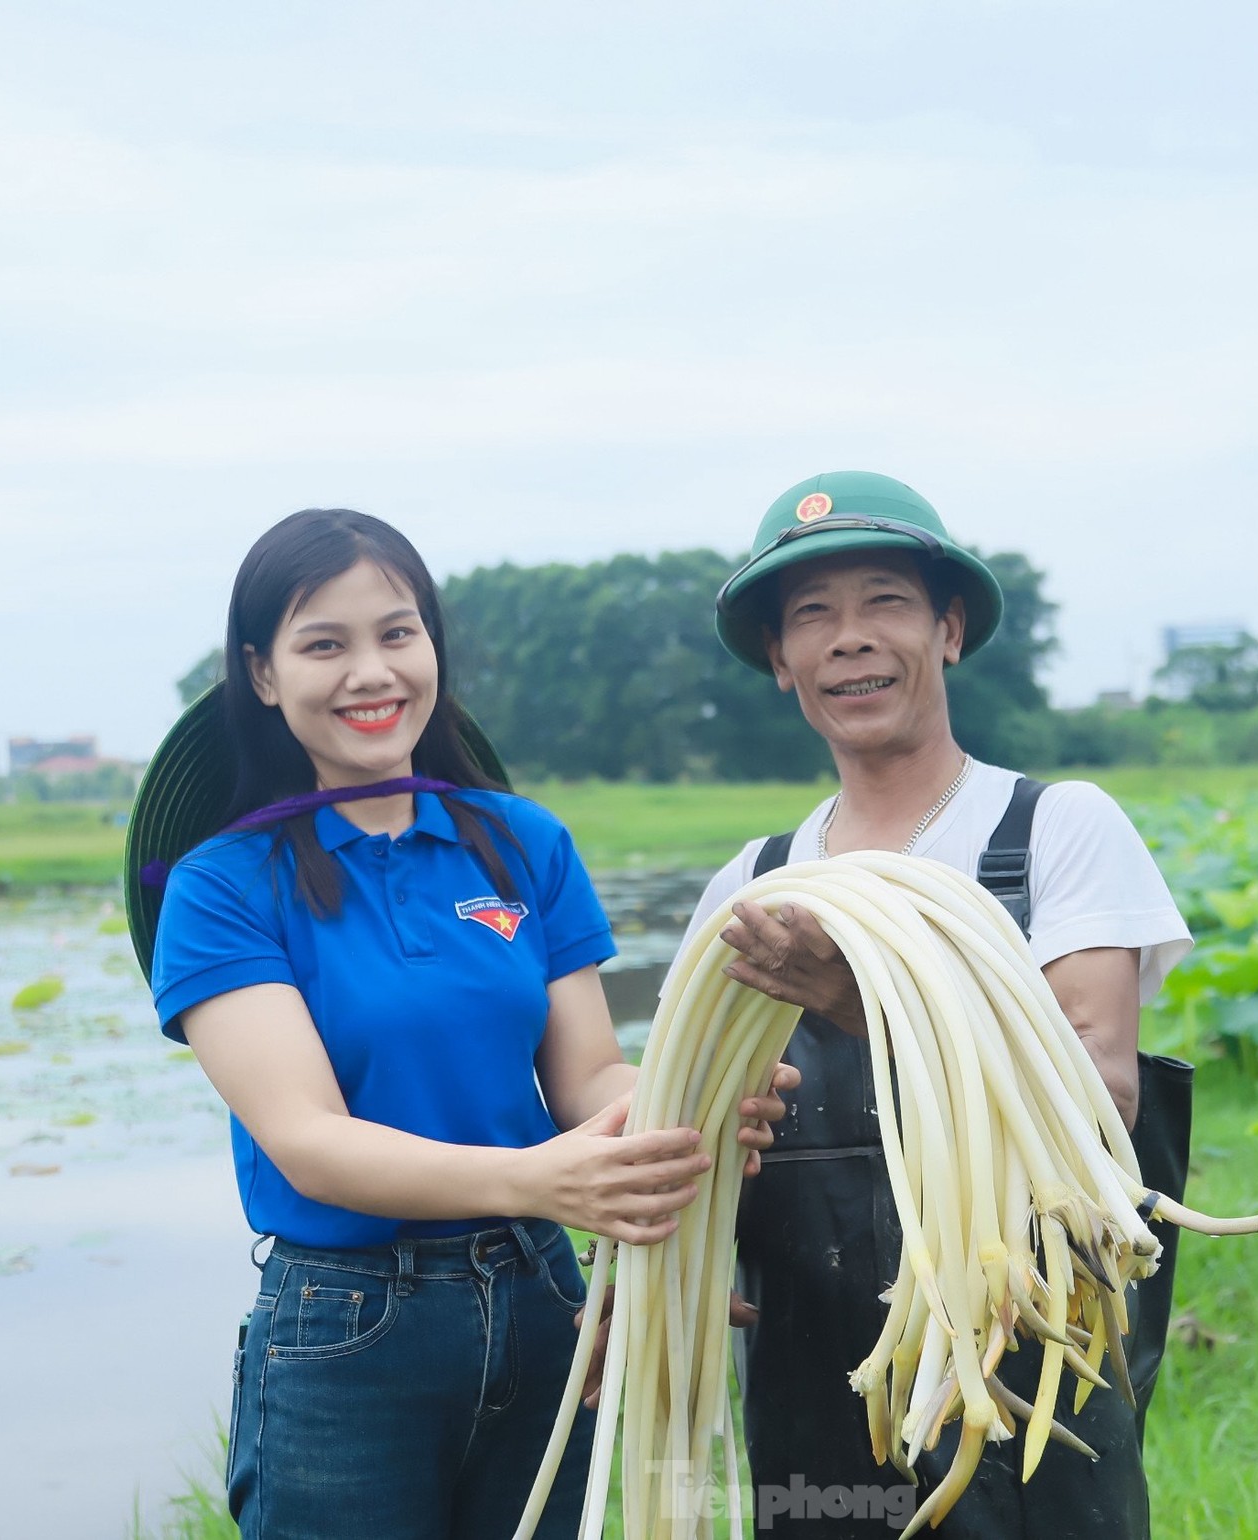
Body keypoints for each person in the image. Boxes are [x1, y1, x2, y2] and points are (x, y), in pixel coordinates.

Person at [125, 507, 794, 1540]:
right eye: (323, 644)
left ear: (432, 643)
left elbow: (588, 1080)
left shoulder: (519, 842)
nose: (370, 671)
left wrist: (694, 1097)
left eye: (397, 632)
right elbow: (309, 1143)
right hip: (348, 1326)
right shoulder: (220, 887)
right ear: (262, 674)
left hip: (540, 1299)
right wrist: (541, 1178)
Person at [668, 471, 1194, 1539]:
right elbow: (684, 1113)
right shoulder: (753, 886)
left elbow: (1100, 1096)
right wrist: (659, 1251)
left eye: (884, 602)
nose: (849, 639)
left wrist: (861, 1004)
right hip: (815, 1395)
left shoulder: (1053, 831)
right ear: (780, 661)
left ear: (948, 629)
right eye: (811, 615)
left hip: (1031, 1373)